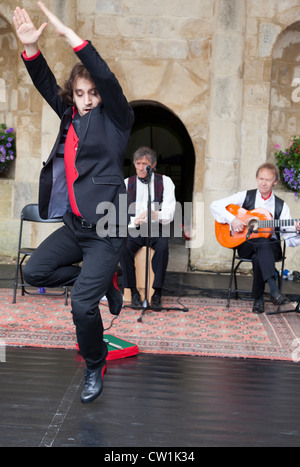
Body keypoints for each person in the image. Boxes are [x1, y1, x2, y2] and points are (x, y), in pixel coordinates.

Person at [13, 2, 134, 404]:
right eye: (79, 93)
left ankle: (95, 364)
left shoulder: (117, 119)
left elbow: (105, 77)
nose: (86, 99)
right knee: (34, 275)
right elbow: (47, 84)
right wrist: (30, 49)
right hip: (75, 227)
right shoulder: (70, 117)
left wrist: (73, 40)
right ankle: (106, 283)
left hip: (106, 230)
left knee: (82, 305)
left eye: (92, 94)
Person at [210, 163, 300, 314]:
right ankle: (274, 290)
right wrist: (232, 219)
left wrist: (297, 231)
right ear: (256, 178)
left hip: (272, 248)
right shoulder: (245, 196)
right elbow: (215, 205)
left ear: (275, 182)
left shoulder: (281, 206)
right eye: (261, 179)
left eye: (268, 180)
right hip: (246, 244)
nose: (263, 183)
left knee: (262, 247)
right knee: (260, 242)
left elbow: (289, 239)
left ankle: (258, 299)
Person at [120, 146, 176, 308]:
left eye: (144, 164)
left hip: (156, 227)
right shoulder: (126, 183)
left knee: (163, 247)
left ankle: (156, 293)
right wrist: (135, 221)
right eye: (137, 163)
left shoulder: (165, 182)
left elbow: (169, 212)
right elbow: (121, 214)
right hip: (135, 228)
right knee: (123, 248)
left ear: (153, 164)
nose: (140, 168)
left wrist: (154, 214)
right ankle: (134, 293)